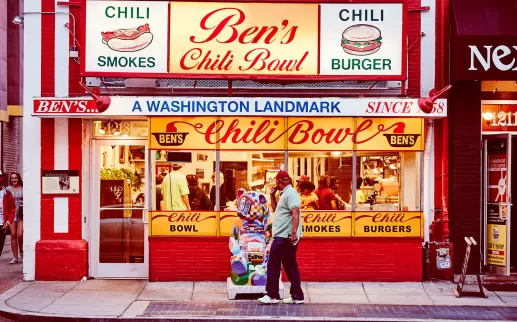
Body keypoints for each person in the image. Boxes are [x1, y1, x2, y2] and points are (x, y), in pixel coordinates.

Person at [258, 171, 304, 305]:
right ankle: (297, 296)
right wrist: (272, 195)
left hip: (285, 236)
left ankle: (272, 295)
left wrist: (293, 233)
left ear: (279, 181)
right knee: (290, 266)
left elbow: (295, 213)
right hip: (284, 236)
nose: (275, 183)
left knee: (273, 264)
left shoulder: (291, 193)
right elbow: (276, 209)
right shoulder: (285, 194)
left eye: (276, 181)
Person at [6, 172, 23, 263]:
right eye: (12, 178)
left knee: (20, 234)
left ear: (18, 178)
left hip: (21, 214)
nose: (14, 180)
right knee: (13, 235)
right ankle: (15, 257)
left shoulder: (23, 188)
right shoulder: (7, 189)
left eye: (15, 178)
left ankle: (22, 251)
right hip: (11, 214)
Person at [0, 172, 15, 260]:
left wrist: (8, 221)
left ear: (1, 178)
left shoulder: (6, 192)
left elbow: (11, 209)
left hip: (2, 224)